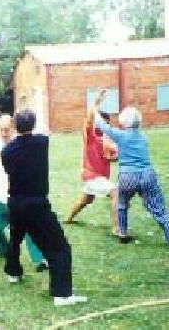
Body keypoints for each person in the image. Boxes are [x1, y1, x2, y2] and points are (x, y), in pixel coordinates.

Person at [2, 110, 87, 306]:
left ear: (14, 126)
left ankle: (13, 272)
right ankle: (62, 294)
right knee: (60, 248)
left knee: (15, 238)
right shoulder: (41, 142)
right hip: (36, 204)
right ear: (33, 124)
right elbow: (43, 132)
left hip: (15, 202)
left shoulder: (7, 152)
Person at [93, 99, 169, 252]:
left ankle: (123, 232)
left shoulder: (121, 136)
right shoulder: (143, 138)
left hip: (127, 177)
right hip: (147, 175)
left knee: (122, 204)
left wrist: (95, 108)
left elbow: (101, 125)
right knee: (159, 209)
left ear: (123, 122)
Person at [0, 114, 49, 272]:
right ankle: (3, 250)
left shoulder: (22, 144)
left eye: (7, 129)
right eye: (0, 130)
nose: (3, 133)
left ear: (14, 128)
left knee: (30, 228)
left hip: (19, 195)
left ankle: (39, 259)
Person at [65, 101, 119, 236]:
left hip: (99, 177)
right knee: (115, 193)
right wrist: (96, 104)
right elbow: (88, 121)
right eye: (102, 122)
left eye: (107, 123)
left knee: (86, 199)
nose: (105, 126)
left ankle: (68, 218)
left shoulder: (108, 139)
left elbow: (112, 157)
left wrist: (115, 156)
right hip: (92, 176)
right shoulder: (90, 136)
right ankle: (117, 229)